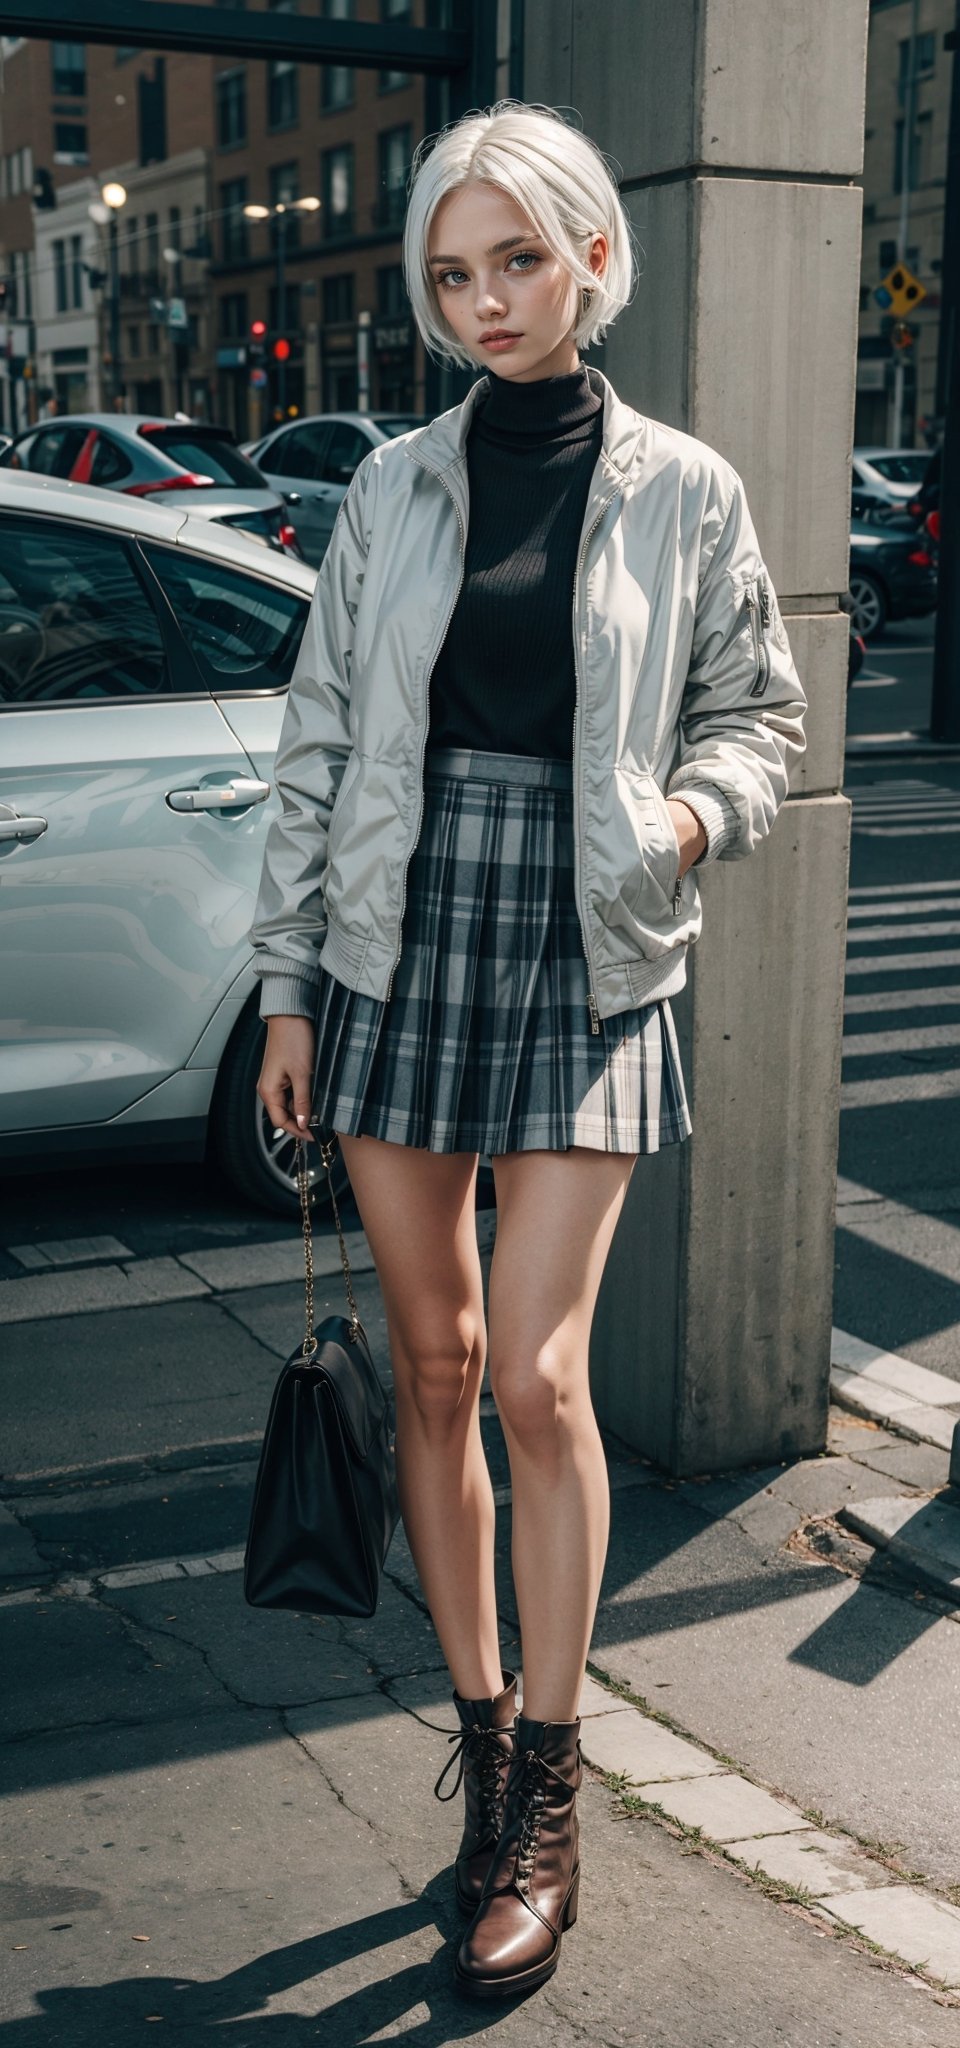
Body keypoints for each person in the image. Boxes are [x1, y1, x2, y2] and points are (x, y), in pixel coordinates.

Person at [250, 98, 807, 2000]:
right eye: (451, 268)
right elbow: (319, 745)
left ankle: (556, 1794)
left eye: (517, 258)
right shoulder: (390, 489)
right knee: (434, 1363)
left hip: (589, 942)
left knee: (542, 1381)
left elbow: (763, 718)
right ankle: (482, 1748)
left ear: (591, 254)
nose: (484, 298)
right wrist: (288, 987)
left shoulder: (688, 488)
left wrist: (686, 821)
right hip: (401, 937)